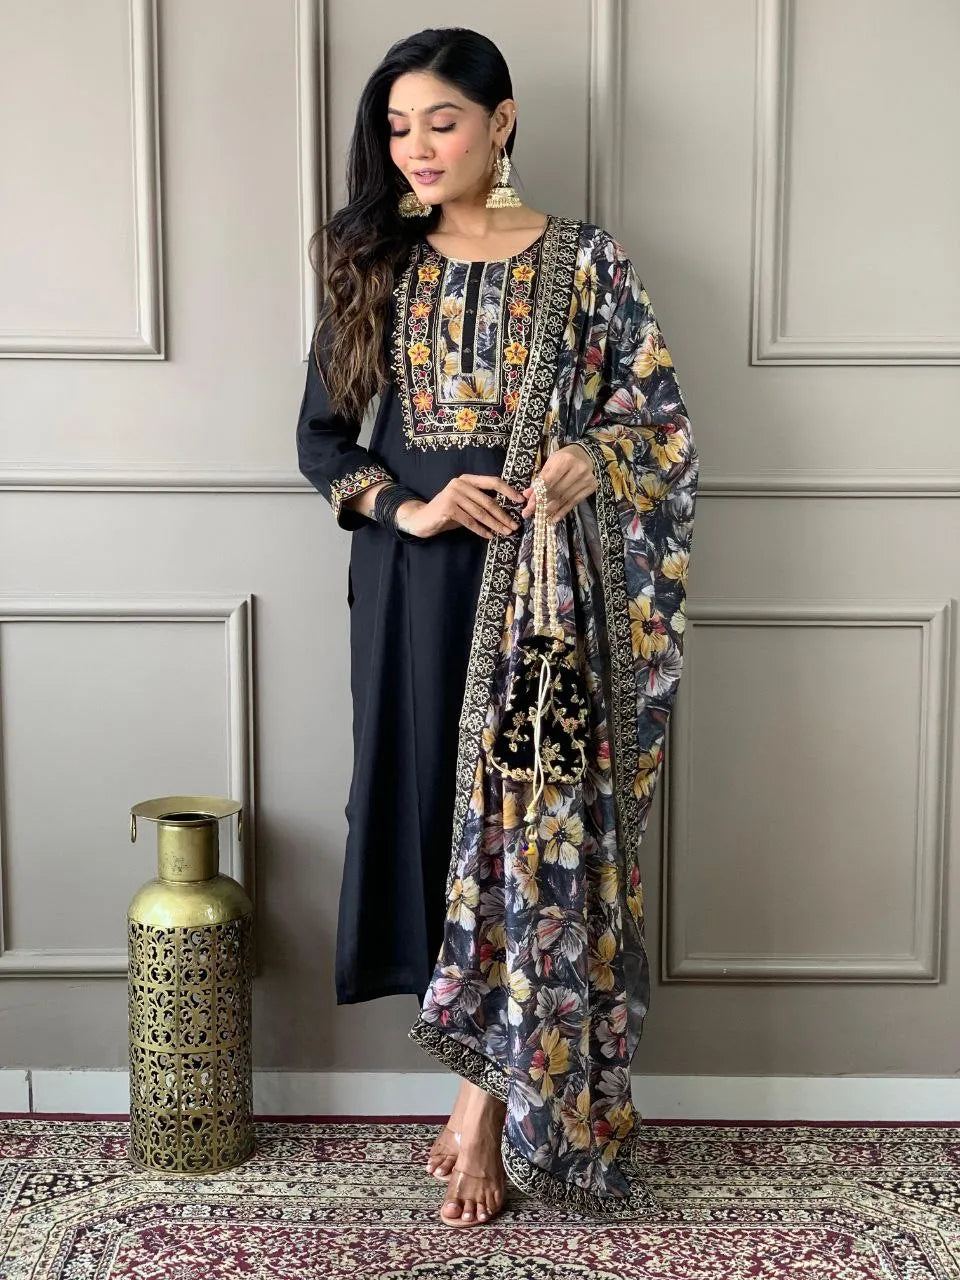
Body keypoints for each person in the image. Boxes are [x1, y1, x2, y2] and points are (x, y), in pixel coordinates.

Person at [296, 27, 700, 1227]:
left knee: (536, 831)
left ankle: (483, 1110)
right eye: (398, 127)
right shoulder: (373, 260)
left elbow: (660, 421)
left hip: (553, 603)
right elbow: (323, 438)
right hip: (418, 598)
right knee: (434, 823)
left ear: (502, 121)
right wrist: (410, 506)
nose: (416, 147)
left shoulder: (587, 264)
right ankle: (477, 1083)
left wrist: (590, 457)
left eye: (443, 122)